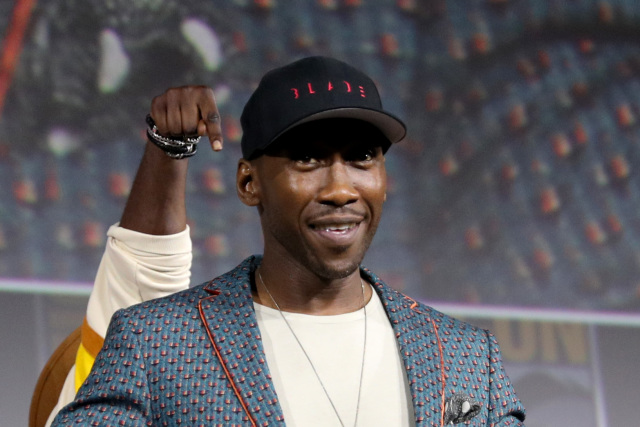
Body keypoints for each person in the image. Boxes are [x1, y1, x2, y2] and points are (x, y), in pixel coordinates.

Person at [52, 56, 525, 426]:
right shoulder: (157, 342)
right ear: (248, 183)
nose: (341, 189)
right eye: (307, 159)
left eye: (362, 157)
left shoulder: (467, 355)